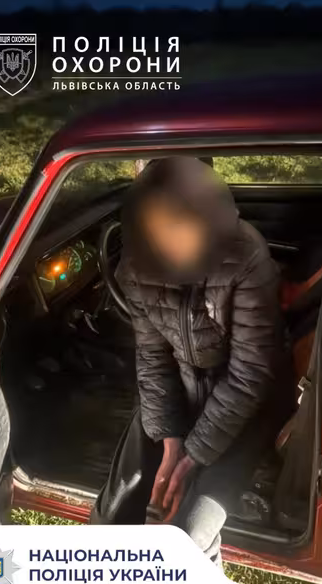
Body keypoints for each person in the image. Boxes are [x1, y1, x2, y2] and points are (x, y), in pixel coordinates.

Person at [91, 156, 295, 563]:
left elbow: (251, 374)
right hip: (186, 388)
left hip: (252, 403)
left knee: (189, 535)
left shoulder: (246, 254)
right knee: (112, 513)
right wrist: (170, 442)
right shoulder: (134, 266)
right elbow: (153, 357)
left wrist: (193, 456)